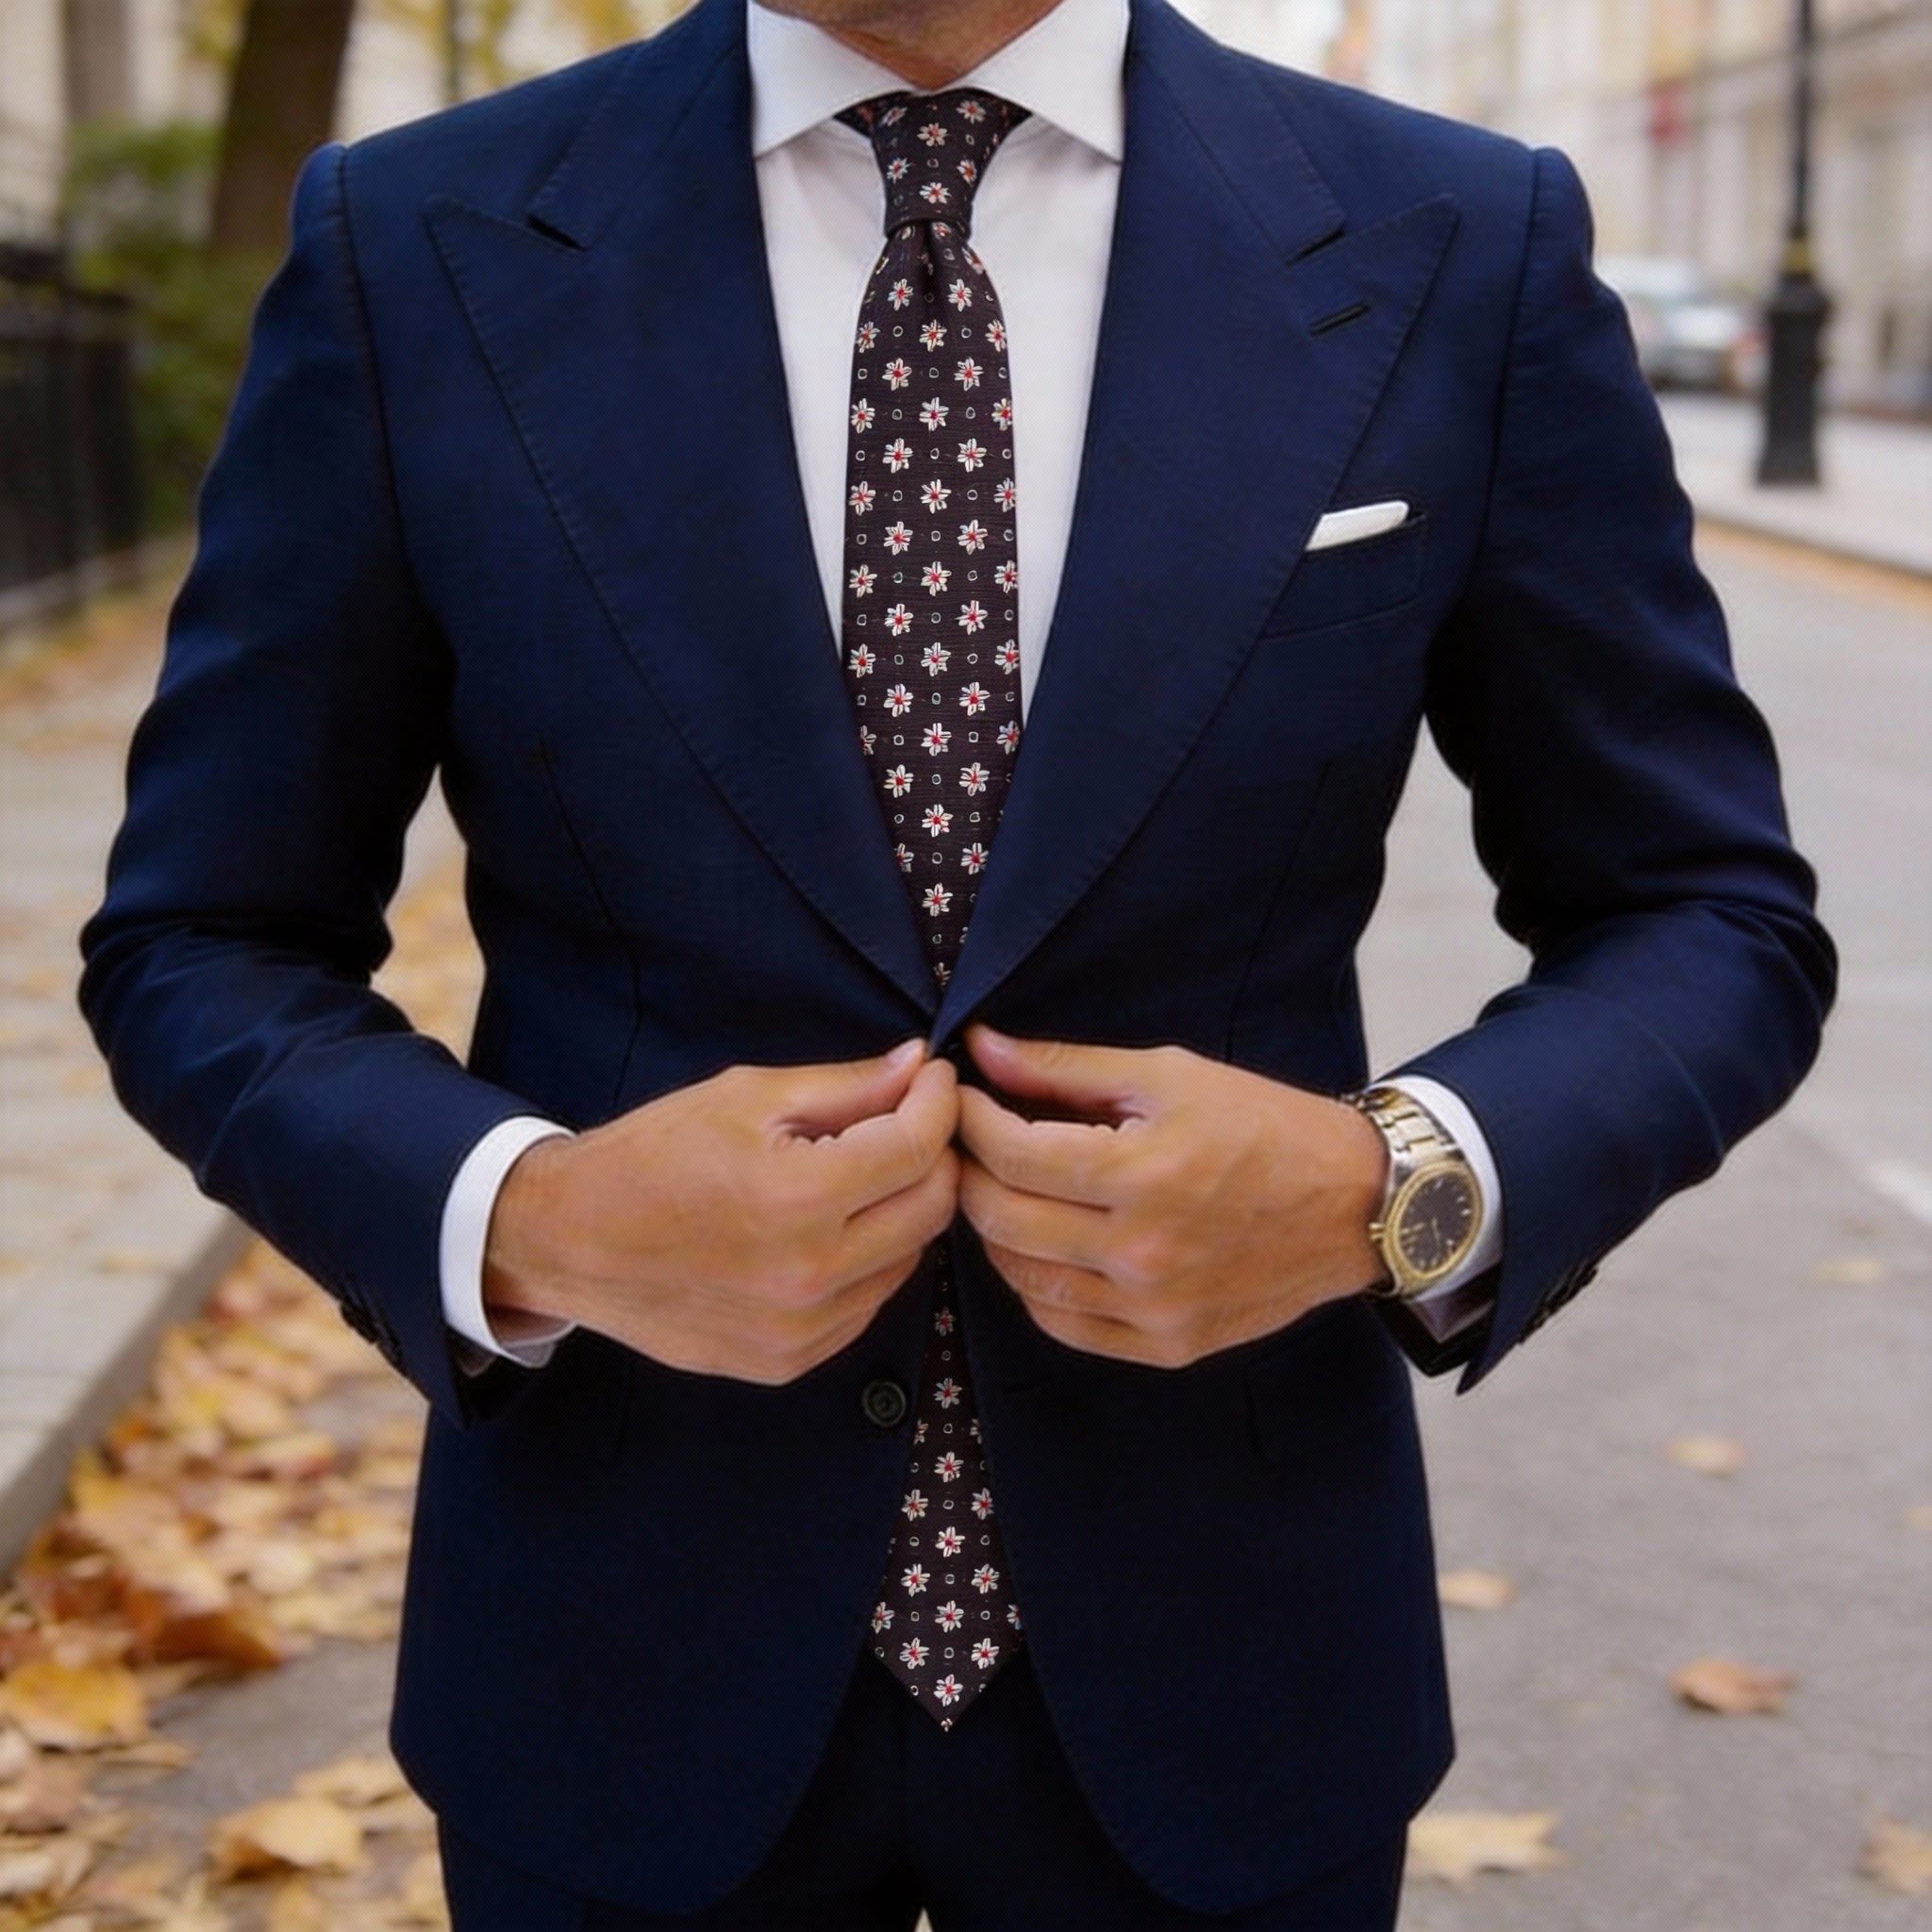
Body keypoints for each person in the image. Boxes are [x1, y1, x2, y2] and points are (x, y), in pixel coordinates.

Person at [76, 0, 1835, 1922]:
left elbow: (1704, 914)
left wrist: (1380, 1185)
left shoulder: (1451, 236)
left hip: (1227, 1664)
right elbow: (204, 936)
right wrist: (534, 1216)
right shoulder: (415, 238)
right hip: (618, 1657)